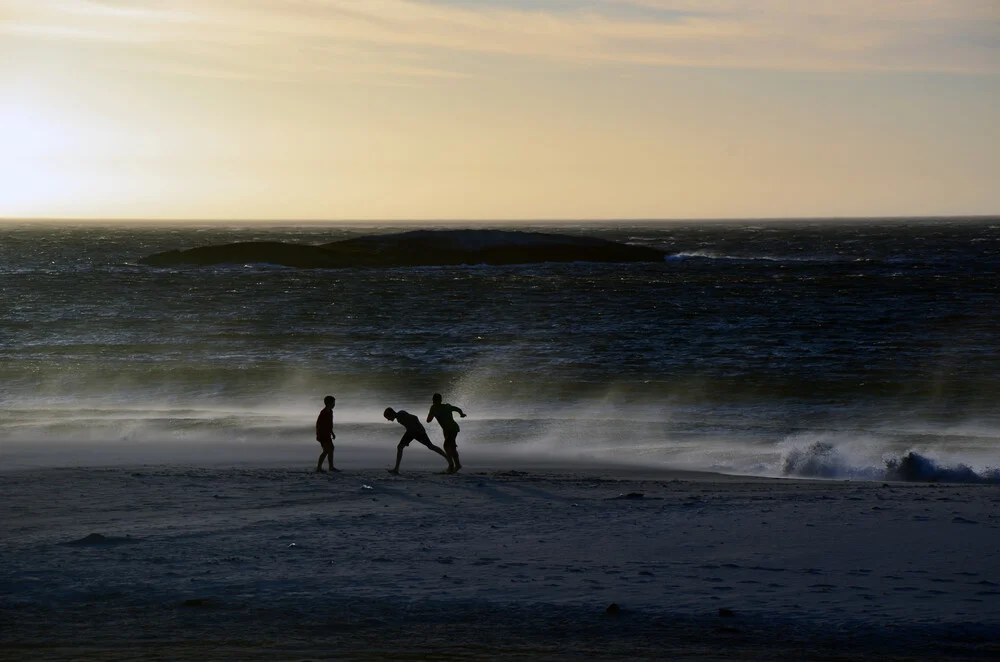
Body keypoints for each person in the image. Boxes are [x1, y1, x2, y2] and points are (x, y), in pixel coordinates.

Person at [383, 407, 453, 475]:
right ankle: (396, 469)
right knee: (400, 447)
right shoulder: (399, 416)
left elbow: (415, 417)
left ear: (391, 414)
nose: (388, 420)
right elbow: (410, 423)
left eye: (387, 418)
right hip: (412, 432)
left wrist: (418, 428)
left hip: (417, 432)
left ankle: (449, 460)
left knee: (430, 446)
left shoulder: (401, 415)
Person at [426, 393, 466, 472]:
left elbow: (428, 420)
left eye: (436, 400)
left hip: (452, 429)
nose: (436, 402)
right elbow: (457, 409)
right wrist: (461, 414)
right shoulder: (445, 407)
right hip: (448, 430)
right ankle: (457, 465)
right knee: (452, 447)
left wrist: (461, 414)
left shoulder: (436, 407)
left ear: (434, 400)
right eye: (435, 400)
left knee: (446, 446)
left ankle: (451, 466)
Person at [315, 395, 339, 472]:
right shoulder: (323, 412)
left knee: (330, 449)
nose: (334, 405)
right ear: (328, 403)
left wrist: (332, 433)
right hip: (322, 434)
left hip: (327, 434)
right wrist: (319, 435)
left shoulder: (330, 412)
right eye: (333, 403)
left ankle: (331, 467)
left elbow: (329, 424)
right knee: (327, 450)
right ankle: (319, 468)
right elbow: (319, 424)